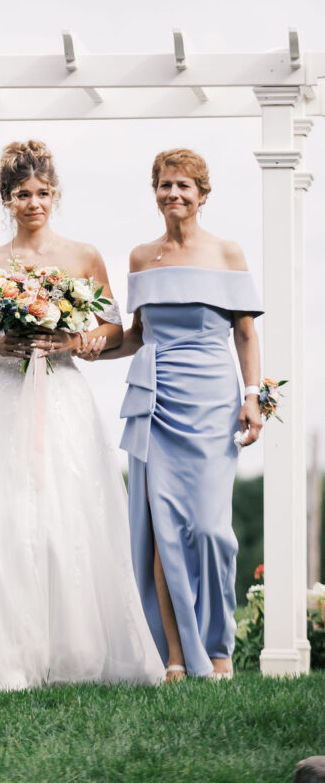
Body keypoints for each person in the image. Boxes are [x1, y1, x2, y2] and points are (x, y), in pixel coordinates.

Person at [0, 141, 165, 689]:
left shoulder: (83, 257)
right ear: (7, 199)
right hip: (7, 395)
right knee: (2, 516)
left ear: (55, 195)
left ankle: (75, 653)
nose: (34, 202)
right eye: (22, 194)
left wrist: (75, 338)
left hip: (62, 397)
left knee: (68, 512)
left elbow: (116, 331)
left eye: (43, 193)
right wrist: (4, 342)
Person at [89, 148, 263, 681]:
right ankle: (174, 655)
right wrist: (83, 343)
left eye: (185, 186)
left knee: (210, 529)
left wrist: (253, 395)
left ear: (203, 195)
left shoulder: (228, 253)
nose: (175, 194)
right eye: (166, 185)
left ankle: (217, 648)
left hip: (213, 398)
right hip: (156, 397)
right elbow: (136, 335)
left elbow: (246, 333)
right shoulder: (141, 258)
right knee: (163, 531)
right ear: (156, 192)